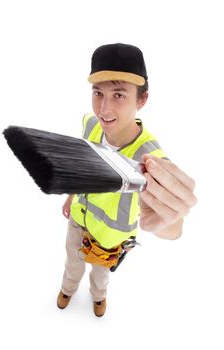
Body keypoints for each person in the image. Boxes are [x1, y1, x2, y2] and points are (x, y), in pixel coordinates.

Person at [57, 43, 197, 317]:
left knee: (100, 275)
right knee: (72, 263)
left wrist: (171, 222)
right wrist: (72, 194)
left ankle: (98, 298)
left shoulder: (152, 158)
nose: (104, 108)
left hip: (110, 237)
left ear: (142, 99)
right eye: (98, 93)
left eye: (118, 94)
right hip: (78, 219)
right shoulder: (89, 124)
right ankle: (67, 289)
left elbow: (172, 227)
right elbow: (82, 164)